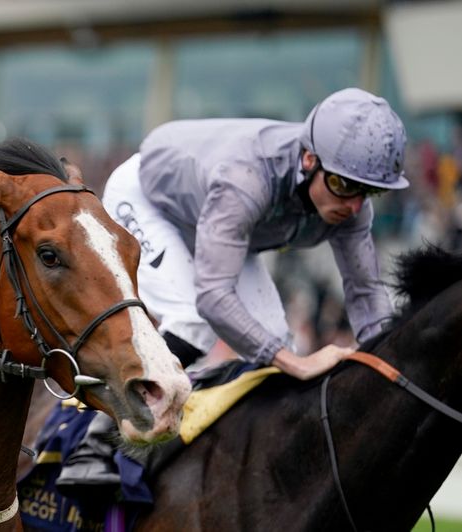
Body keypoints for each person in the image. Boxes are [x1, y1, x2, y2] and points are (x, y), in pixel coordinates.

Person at [58, 87, 408, 492]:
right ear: (309, 160)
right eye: (342, 185)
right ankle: (94, 444)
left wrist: (389, 372)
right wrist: (296, 364)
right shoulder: (247, 177)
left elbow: (366, 295)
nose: (353, 204)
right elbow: (214, 296)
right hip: (152, 201)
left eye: (368, 191)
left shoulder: (351, 204)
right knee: (196, 319)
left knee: (275, 340)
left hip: (215, 222)